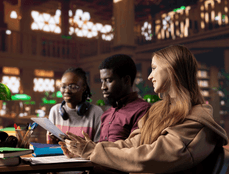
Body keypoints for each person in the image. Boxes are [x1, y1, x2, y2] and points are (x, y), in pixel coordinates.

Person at [60, 45, 228, 174]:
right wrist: (87, 149)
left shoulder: (197, 120)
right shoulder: (158, 110)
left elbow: (150, 158)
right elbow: (132, 144)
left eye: (154, 68)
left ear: (172, 70)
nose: (149, 76)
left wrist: (93, 151)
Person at [98, 54, 151, 142]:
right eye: (102, 81)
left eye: (108, 81)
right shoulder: (106, 115)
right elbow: (102, 147)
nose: (103, 87)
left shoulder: (143, 110)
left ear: (126, 80)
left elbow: (135, 149)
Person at [47, 67, 103, 144]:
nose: (67, 91)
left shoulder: (96, 112)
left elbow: (99, 147)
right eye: (63, 87)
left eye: (73, 87)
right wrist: (51, 141)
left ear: (83, 88)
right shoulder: (55, 111)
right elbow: (49, 145)